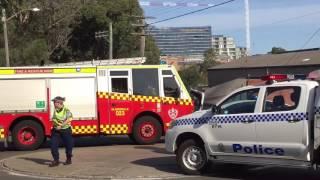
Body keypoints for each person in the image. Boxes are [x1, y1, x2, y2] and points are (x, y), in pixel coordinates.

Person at [49, 96, 74, 167]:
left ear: (59, 103)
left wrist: (61, 126)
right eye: (53, 102)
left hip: (65, 130)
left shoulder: (66, 110)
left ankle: (68, 158)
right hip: (56, 131)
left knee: (69, 145)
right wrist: (55, 126)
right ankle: (56, 160)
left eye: (55, 102)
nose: (54, 104)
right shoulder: (56, 110)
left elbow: (69, 119)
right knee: (53, 146)